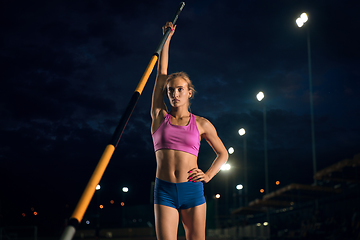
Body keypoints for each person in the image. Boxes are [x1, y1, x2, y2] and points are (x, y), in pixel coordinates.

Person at [151, 22, 228, 240]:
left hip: (192, 191)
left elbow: (223, 154)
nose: (175, 94)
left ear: (189, 92)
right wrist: (167, 39)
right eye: (171, 90)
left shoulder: (202, 124)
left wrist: (209, 175)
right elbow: (161, 73)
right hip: (164, 191)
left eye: (180, 89)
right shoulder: (159, 116)